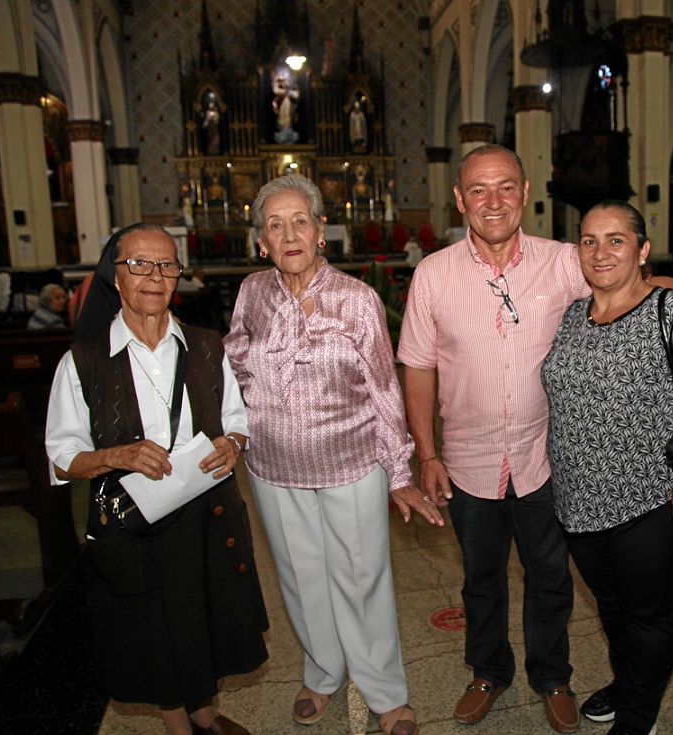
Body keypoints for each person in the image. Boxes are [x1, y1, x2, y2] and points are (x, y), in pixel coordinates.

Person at [398, 144, 673, 733]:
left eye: (505, 186)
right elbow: (418, 366)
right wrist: (426, 452)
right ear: (459, 199)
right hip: (468, 458)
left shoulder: (564, 260)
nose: (493, 201)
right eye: (478, 190)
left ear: (525, 191)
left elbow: (632, 275)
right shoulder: (432, 275)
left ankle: (552, 677)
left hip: (543, 459)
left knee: (550, 577)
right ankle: (487, 671)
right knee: (480, 578)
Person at [224, 174, 440, 735]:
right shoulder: (251, 293)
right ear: (261, 242)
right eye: (275, 225)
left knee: (362, 576)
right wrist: (233, 429)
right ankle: (322, 673)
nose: (288, 233)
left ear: (321, 232)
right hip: (274, 468)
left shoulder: (357, 298)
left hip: (352, 462)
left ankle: (385, 692)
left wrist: (399, 472)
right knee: (300, 576)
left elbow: (384, 388)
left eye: (300, 221)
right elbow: (234, 364)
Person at [44, 223, 268, 735]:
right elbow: (61, 458)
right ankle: (177, 724)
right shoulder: (82, 361)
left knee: (203, 612)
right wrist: (115, 456)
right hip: (133, 518)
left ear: (177, 278)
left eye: (166, 265)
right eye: (139, 264)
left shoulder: (209, 346)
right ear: (115, 278)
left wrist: (233, 443)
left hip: (206, 506)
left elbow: (238, 417)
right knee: (154, 621)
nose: (154, 276)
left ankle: (206, 711)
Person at [542, 200, 673, 735]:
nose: (601, 252)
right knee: (612, 608)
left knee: (649, 617)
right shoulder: (574, 314)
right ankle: (628, 683)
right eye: (590, 240)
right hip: (579, 504)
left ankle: (637, 716)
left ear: (642, 250)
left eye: (616, 239)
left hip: (650, 503)